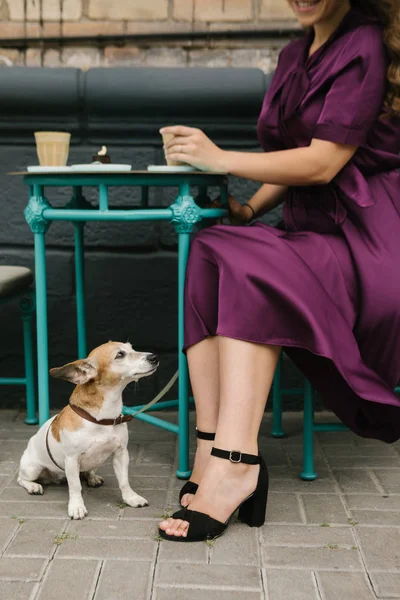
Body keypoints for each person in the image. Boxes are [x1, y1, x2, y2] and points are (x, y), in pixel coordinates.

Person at [158, 0, 400, 542]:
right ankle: (211, 450)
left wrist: (220, 158)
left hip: (369, 236)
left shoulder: (365, 44)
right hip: (313, 231)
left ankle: (238, 461)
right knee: (213, 245)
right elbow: (293, 160)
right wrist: (248, 210)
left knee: (249, 263)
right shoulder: (296, 52)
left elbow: (322, 162)